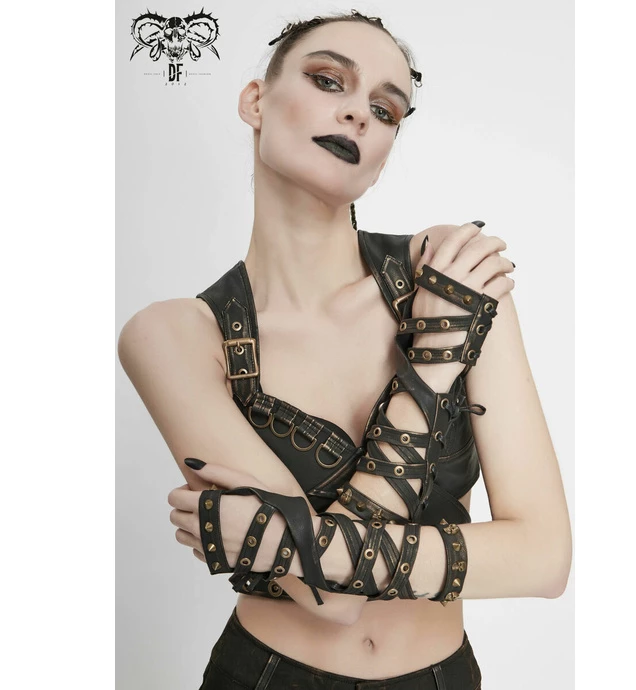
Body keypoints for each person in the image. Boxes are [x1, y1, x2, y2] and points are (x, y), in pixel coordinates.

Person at [118, 9, 572, 689]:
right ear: (256, 101)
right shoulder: (176, 335)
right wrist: (432, 362)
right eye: (329, 80)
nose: (360, 113)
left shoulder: (451, 272)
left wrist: (290, 539)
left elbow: (544, 558)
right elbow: (331, 601)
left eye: (386, 111)